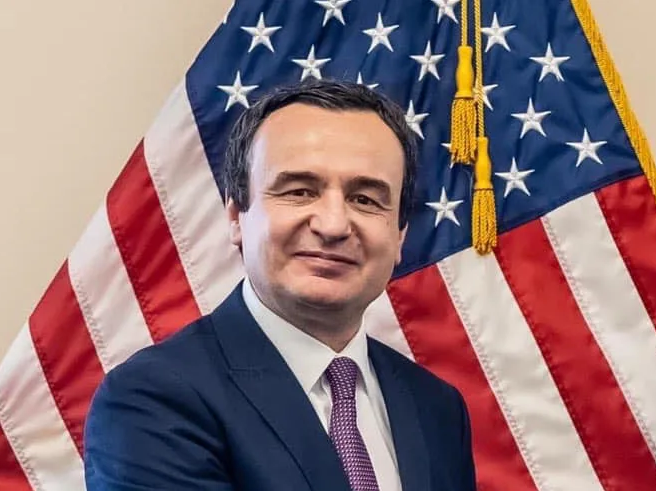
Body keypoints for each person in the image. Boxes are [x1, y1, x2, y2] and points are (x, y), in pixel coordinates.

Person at [83, 79, 477, 491]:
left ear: (399, 236)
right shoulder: (152, 400)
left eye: (365, 199)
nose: (333, 225)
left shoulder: (437, 408)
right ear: (236, 217)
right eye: (300, 191)